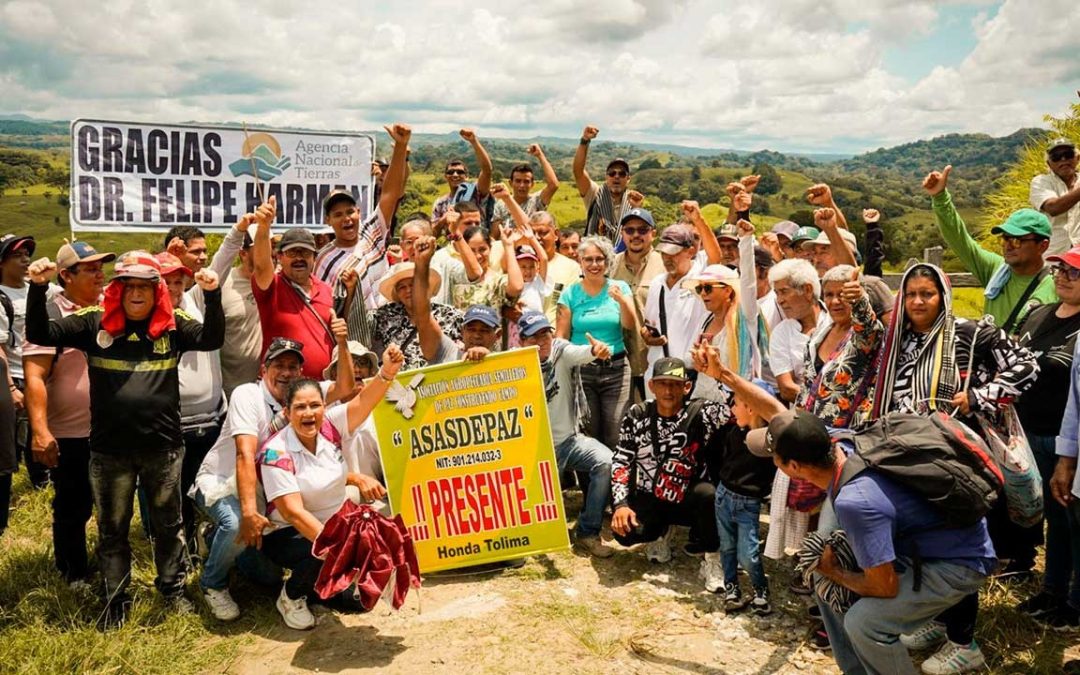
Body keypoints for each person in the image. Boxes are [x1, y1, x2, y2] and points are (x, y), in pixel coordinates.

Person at [25, 251, 224, 629]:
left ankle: (172, 591)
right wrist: (37, 290)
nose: (136, 293)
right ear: (118, 289)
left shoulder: (172, 323)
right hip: (109, 453)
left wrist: (211, 296)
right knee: (112, 528)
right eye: (128, 285)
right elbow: (40, 334)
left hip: (163, 450)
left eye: (144, 287)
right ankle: (116, 599)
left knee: (168, 526)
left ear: (156, 292)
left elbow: (212, 338)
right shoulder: (92, 321)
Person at [868, 264, 1039, 670]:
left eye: (926, 293)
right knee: (922, 542)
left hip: (956, 463)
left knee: (956, 547)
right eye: (910, 295)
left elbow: (1027, 366)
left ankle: (965, 643)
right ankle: (940, 620)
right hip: (910, 458)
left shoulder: (970, 332)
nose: (917, 302)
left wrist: (980, 396)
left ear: (943, 294)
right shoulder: (902, 340)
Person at [748, 408, 996, 675]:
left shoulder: (856, 503)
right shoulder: (842, 445)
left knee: (865, 623)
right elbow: (778, 412)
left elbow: (884, 587)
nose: (772, 460)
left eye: (774, 456)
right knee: (824, 581)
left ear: (794, 467)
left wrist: (834, 571)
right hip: (931, 541)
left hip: (960, 563)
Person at [190, 336, 356, 621]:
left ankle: (214, 538)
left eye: (293, 366)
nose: (287, 372)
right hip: (222, 482)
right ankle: (213, 583)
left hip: (266, 490)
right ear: (263, 370)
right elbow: (245, 454)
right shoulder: (247, 395)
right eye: (279, 365)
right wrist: (249, 512)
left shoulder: (300, 398)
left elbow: (346, 387)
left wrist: (342, 341)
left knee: (267, 578)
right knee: (236, 524)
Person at [259, 345, 403, 629]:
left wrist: (387, 372)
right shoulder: (275, 452)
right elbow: (294, 514)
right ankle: (291, 596)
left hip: (336, 524)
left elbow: (364, 403)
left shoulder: (330, 426)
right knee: (317, 550)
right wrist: (341, 549)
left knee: (360, 600)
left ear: (325, 408)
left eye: (315, 405)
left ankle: (325, 585)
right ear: (287, 413)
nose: (308, 413)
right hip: (288, 535)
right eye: (299, 407)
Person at [22, 241, 113, 585]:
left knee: (108, 504)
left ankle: (109, 565)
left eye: (101, 267)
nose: (100, 275)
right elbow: (35, 376)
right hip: (70, 433)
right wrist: (41, 431)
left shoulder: (107, 308)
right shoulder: (49, 315)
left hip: (107, 431)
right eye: (90, 269)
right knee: (74, 505)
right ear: (66, 276)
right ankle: (73, 572)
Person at [609, 357, 727, 591]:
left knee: (708, 495)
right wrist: (620, 504)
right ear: (651, 386)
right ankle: (660, 533)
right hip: (651, 495)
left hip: (688, 498)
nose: (668, 390)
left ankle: (713, 559)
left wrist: (719, 375)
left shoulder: (700, 412)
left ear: (686, 387)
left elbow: (736, 409)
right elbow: (621, 459)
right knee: (624, 534)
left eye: (675, 384)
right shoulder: (637, 414)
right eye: (662, 383)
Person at [1011, 245, 1080, 629]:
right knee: (1053, 518)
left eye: (1074, 272)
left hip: (1063, 437)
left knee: (1070, 520)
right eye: (1060, 269)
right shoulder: (1039, 313)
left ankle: (1071, 600)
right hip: (1027, 431)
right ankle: (1051, 590)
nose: (1063, 277)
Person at [692, 343, 786, 614]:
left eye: (736, 403)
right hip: (724, 496)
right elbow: (716, 457)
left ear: (752, 407)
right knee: (728, 548)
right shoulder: (731, 432)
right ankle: (732, 588)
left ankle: (760, 591)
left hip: (748, 502)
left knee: (748, 552)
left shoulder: (768, 442)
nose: (731, 407)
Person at [518, 310, 614, 557]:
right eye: (533, 337)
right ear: (521, 341)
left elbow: (582, 353)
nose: (541, 341)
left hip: (568, 443)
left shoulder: (561, 352)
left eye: (545, 334)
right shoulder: (512, 365)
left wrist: (596, 351)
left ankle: (587, 532)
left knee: (605, 461)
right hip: (531, 453)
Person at [925, 165, 1057, 332]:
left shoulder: (1057, 286)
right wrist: (940, 197)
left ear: (1042, 246)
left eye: (1016, 240)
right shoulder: (996, 270)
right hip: (989, 356)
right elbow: (960, 240)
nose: (1008, 245)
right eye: (1005, 238)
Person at [314, 124, 410, 346]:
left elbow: (390, 193)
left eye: (350, 211)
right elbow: (327, 308)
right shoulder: (324, 259)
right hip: (357, 340)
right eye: (337, 215)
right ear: (328, 221)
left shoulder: (372, 232)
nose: (346, 218)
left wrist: (401, 148)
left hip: (393, 327)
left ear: (359, 212)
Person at [555, 236, 636, 454]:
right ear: (580, 262)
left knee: (616, 432)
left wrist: (623, 301)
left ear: (607, 261)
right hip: (582, 372)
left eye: (599, 259)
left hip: (616, 370)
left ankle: (617, 486)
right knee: (588, 434)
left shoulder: (620, 288)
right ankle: (593, 487)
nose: (594, 265)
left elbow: (629, 324)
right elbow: (561, 337)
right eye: (588, 259)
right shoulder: (569, 294)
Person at [251, 197, 336, 378]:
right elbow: (260, 266)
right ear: (280, 256)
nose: (299, 258)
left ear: (314, 256)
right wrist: (263, 228)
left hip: (322, 391)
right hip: (281, 387)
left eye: (304, 252)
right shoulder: (272, 287)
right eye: (292, 252)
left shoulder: (327, 290)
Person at [0, 233, 47, 488]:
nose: (25, 259)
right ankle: (36, 482)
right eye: (17, 255)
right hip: (16, 373)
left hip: (38, 370)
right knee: (22, 432)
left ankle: (43, 481)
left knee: (39, 426)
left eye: (26, 253)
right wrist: (9, 386)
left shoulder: (37, 290)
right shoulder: (1, 296)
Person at [641, 224, 709, 383]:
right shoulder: (657, 283)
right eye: (664, 252)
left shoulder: (701, 281)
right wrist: (647, 334)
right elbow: (650, 323)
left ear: (691, 252)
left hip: (688, 375)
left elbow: (716, 255)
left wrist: (698, 219)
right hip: (657, 373)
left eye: (673, 253)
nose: (667, 258)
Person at [610, 208, 666, 401]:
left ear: (653, 233)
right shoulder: (610, 266)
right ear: (622, 234)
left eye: (642, 230)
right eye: (629, 230)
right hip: (618, 361)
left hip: (655, 359)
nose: (635, 235)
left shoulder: (665, 264)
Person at [684, 263, 760, 401]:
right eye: (699, 288)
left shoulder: (744, 320)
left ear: (728, 291)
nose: (702, 293)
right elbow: (688, 358)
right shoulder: (705, 319)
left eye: (708, 288)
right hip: (701, 401)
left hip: (734, 404)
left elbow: (749, 281)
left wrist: (746, 241)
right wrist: (697, 358)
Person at [370, 260, 458, 371]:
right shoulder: (384, 316)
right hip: (401, 384)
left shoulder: (449, 315)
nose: (408, 290)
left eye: (413, 284)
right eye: (401, 287)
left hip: (441, 381)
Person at [767, 259, 826, 403]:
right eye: (777, 293)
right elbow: (787, 389)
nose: (779, 300)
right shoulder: (781, 333)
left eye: (784, 292)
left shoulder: (835, 321)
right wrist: (827, 402)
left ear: (807, 290)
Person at [220, 232, 262, 398]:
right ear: (243, 254)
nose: (269, 251)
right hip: (229, 391)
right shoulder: (222, 283)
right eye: (261, 246)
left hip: (269, 391)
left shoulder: (279, 281)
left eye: (271, 245)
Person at [574, 125, 632, 247]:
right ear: (606, 177)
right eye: (612, 173)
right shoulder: (595, 194)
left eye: (622, 174)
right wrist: (585, 141)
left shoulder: (633, 201)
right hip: (596, 258)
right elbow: (578, 172)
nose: (616, 176)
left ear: (628, 179)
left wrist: (637, 208)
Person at [431, 129, 493, 227]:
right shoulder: (441, 203)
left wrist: (474, 141)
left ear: (467, 176)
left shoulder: (476, 193)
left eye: (460, 172)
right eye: (450, 172)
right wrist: (444, 218)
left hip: (478, 240)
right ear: (445, 176)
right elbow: (433, 232)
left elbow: (487, 170)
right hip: (454, 241)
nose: (455, 175)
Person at [1030, 138, 1080, 255]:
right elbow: (1053, 208)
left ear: (1077, 158)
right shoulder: (1041, 182)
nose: (1063, 159)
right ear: (1049, 164)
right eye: (1056, 157)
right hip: (1053, 256)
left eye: (1068, 155)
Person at [491, 144, 560, 228]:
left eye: (526, 181)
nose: (522, 185)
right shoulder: (501, 205)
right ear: (510, 183)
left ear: (532, 184)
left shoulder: (537, 201)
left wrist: (540, 155)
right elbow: (495, 235)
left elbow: (554, 185)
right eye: (518, 181)